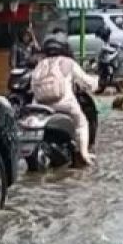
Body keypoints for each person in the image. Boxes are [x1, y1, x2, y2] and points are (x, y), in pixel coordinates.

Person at [30, 34, 98, 165]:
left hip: (39, 106)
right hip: (64, 104)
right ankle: (84, 154)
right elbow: (87, 82)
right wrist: (96, 82)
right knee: (82, 123)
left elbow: (32, 86)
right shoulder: (68, 63)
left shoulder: (40, 64)